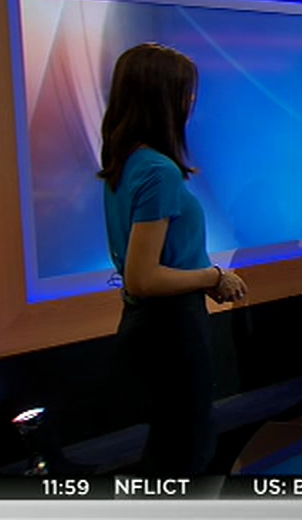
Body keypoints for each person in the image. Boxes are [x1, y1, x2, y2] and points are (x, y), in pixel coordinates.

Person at [98, 43, 247, 475]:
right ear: (160, 97)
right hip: (169, 328)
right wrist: (213, 276)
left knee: (172, 444)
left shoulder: (126, 162)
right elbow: (143, 277)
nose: (192, 101)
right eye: (185, 91)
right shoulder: (157, 171)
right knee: (186, 452)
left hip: (149, 326)